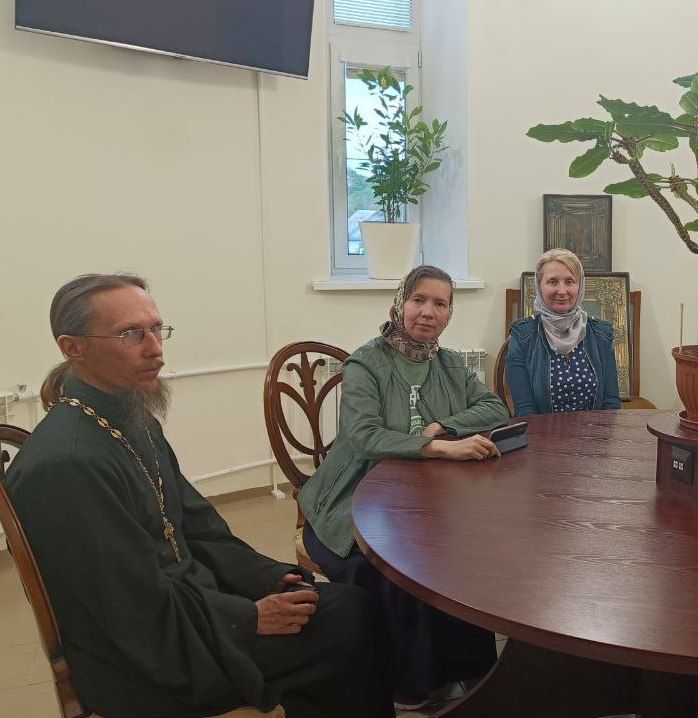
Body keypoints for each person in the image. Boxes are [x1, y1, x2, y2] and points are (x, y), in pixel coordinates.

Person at [4, 274, 393, 718]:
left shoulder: (131, 417)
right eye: (131, 334)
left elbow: (196, 525)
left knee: (332, 601)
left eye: (157, 329)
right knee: (349, 619)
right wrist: (249, 617)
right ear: (73, 348)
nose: (155, 349)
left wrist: (266, 577)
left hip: (189, 610)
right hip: (146, 660)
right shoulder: (67, 465)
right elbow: (131, 607)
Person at [299, 265, 509, 711]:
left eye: (440, 303)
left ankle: (469, 670)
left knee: (464, 551)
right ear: (399, 304)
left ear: (449, 314)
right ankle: (409, 681)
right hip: (351, 501)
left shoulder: (449, 364)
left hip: (425, 499)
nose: (428, 312)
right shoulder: (365, 363)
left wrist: (444, 425)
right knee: (391, 568)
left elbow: (494, 407)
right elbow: (363, 437)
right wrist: (437, 447)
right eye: (418, 300)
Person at [505, 249, 621, 416]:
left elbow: (611, 404)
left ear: (580, 286)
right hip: (541, 431)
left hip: (594, 431)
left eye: (569, 281)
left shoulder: (601, 334)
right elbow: (525, 410)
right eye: (552, 282)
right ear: (539, 286)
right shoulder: (522, 336)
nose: (562, 291)